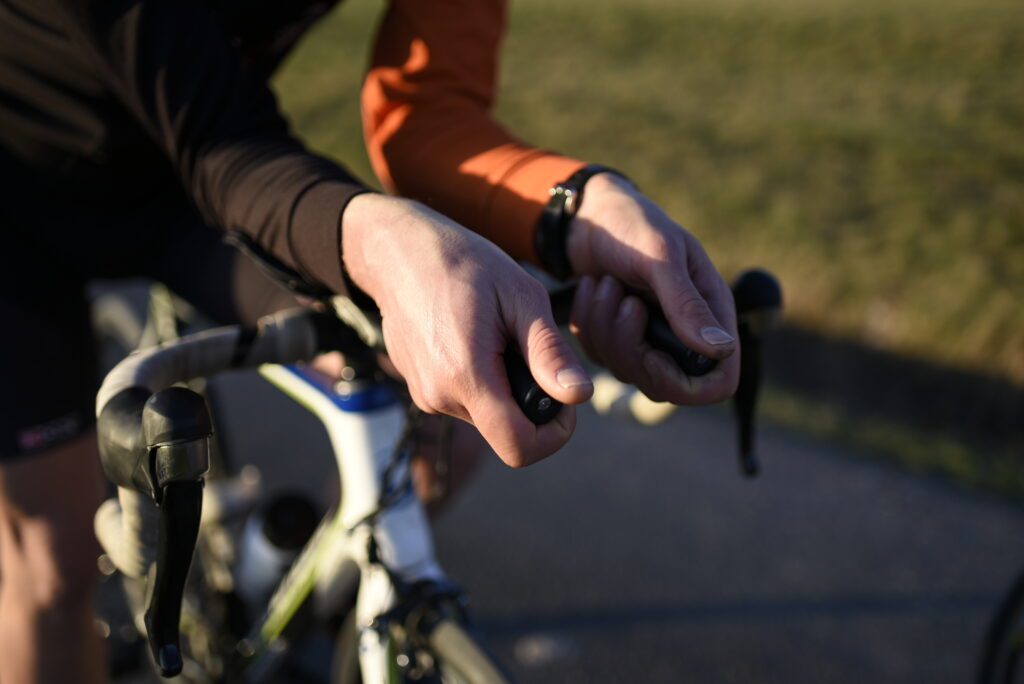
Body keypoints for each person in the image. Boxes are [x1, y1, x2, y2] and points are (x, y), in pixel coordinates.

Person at [0, 0, 739, 681]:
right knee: (52, 568)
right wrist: (385, 249)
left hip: (187, 179)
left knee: (460, 385)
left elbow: (429, 109)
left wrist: (573, 211)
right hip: (23, 194)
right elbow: (223, 143)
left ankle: (300, 597)